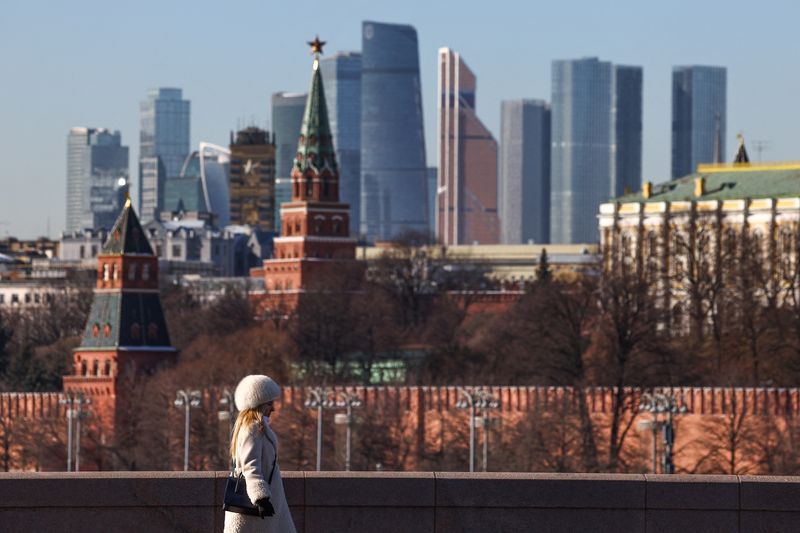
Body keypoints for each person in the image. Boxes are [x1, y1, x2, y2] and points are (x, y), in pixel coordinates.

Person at [224, 375, 296, 533]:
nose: (273, 408)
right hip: (254, 506)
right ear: (260, 404)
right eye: (270, 403)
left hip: (265, 503)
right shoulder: (252, 428)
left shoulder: (257, 427)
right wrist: (261, 497)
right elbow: (250, 466)